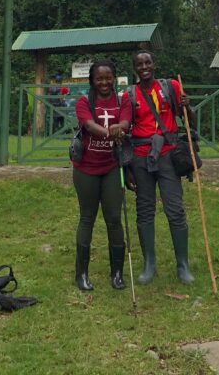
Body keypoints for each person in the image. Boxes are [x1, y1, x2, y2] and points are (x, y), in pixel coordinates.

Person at [119, 49, 195, 285]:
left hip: (168, 155)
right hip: (140, 158)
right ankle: (149, 263)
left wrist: (187, 105)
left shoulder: (171, 86)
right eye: (139, 64)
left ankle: (183, 264)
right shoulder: (129, 95)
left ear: (154, 65)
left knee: (175, 208)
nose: (144, 67)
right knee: (144, 209)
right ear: (135, 69)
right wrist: (127, 167)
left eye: (147, 63)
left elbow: (190, 120)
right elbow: (125, 129)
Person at [71, 60, 130, 292]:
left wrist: (121, 127)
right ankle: (81, 273)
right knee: (87, 217)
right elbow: (88, 124)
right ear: (92, 81)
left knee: (114, 218)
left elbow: (126, 120)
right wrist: (111, 132)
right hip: (86, 167)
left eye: (108, 78)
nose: (104, 82)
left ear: (114, 78)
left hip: (113, 167)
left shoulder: (122, 100)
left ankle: (117, 273)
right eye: (99, 78)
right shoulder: (84, 102)